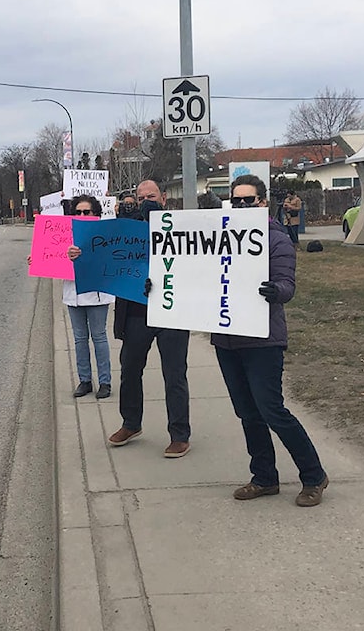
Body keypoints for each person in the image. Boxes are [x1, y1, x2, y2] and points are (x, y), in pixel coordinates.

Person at [212, 174, 328, 506]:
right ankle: (264, 477)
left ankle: (314, 475)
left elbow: (287, 286)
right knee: (247, 412)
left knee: (271, 410)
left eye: (248, 200)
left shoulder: (276, 239)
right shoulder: (219, 235)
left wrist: (273, 291)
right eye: (236, 200)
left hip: (262, 340)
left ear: (263, 202)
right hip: (227, 339)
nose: (242, 205)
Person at [101, 180, 192, 457]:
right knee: (129, 369)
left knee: (174, 374)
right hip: (137, 311)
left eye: (151, 197)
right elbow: (104, 254)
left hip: (172, 310)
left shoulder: (180, 226)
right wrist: (77, 255)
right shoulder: (126, 227)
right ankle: (131, 423)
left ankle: (179, 434)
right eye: (140, 198)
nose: (145, 202)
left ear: (163, 198)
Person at [62, 195, 115, 399]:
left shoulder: (104, 234)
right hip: (73, 293)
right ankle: (85, 380)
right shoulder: (66, 233)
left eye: (87, 212)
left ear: (96, 214)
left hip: (96, 294)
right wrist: (38, 259)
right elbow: (52, 255)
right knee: (79, 339)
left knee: (99, 337)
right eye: (78, 212)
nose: (82, 215)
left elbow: (109, 259)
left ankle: (105, 381)